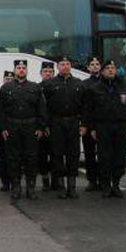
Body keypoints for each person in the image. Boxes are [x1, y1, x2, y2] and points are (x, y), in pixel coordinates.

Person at [84, 60, 126, 198]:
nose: (111, 70)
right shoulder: (94, 88)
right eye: (108, 68)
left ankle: (116, 184)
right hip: (102, 126)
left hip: (120, 126)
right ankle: (105, 185)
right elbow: (90, 110)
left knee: (119, 156)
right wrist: (92, 128)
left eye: (113, 68)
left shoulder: (124, 86)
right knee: (104, 156)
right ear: (102, 71)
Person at [0, 59, 47, 200]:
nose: (21, 70)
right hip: (12, 127)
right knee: (14, 158)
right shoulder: (6, 88)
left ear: (27, 70)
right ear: (14, 70)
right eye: (18, 67)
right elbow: (0, 111)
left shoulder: (35, 87)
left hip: (30, 127)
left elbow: (41, 109)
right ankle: (16, 187)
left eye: (23, 67)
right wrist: (3, 128)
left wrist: (40, 127)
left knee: (31, 158)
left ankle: (30, 188)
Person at [42, 56, 86, 199]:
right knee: (57, 154)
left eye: (67, 64)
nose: (65, 66)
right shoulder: (50, 84)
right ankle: (60, 186)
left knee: (73, 154)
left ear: (70, 66)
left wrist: (84, 124)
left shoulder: (78, 83)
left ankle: (72, 187)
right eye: (62, 64)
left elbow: (85, 107)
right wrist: (46, 125)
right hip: (56, 123)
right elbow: (44, 107)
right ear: (58, 67)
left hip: (73, 122)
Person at [82, 57, 102, 191]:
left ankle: (103, 179)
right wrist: (83, 124)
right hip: (88, 124)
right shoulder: (84, 84)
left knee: (103, 154)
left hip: (102, 124)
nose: (95, 66)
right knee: (89, 154)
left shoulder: (106, 83)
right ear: (88, 68)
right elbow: (82, 106)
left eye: (97, 64)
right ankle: (92, 180)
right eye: (92, 64)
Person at [38, 62, 56, 191]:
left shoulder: (58, 86)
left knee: (57, 154)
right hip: (42, 127)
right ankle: (45, 180)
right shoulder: (36, 88)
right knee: (42, 154)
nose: (48, 73)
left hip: (57, 126)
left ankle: (57, 180)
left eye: (50, 71)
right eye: (45, 71)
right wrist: (42, 126)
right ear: (41, 73)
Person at [0, 71, 14, 192]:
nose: (8, 80)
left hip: (16, 129)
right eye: (6, 78)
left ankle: (15, 182)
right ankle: (5, 182)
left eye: (11, 78)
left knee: (15, 158)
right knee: (4, 158)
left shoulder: (20, 93)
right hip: (3, 131)